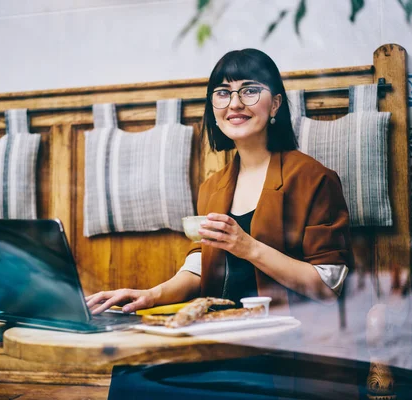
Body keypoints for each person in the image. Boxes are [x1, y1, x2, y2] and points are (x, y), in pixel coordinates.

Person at [86, 48, 351, 316]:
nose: (235, 103)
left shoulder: (314, 179)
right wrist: (150, 295)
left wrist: (249, 247)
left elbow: (329, 285)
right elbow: (201, 265)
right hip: (220, 329)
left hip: (288, 340)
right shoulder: (212, 187)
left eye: (249, 90)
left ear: (275, 104)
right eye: (223, 93)